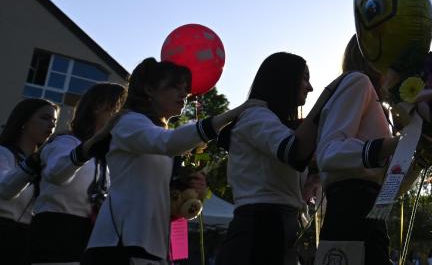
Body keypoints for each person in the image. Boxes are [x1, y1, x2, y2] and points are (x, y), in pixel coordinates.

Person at [82, 58, 260, 264]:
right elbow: (167, 142)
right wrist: (234, 113)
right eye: (175, 87)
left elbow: (164, 201)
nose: (184, 94)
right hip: (117, 245)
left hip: (152, 247)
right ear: (149, 89)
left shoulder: (160, 135)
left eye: (185, 88)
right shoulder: (128, 122)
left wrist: (189, 195)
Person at [216, 52, 317, 265]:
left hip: (274, 231)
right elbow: (294, 153)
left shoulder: (273, 124)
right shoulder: (255, 116)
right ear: (284, 79)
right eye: (305, 78)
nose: (310, 87)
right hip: (260, 233)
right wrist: (326, 107)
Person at [317, 35, 400, 265]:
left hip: (370, 216)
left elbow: (386, 182)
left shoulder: (380, 105)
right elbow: (329, 152)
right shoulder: (358, 82)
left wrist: (421, 154)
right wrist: (394, 144)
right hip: (350, 213)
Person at [30, 83, 126, 265]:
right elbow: (56, 174)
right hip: (55, 236)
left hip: (87, 240)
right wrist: (83, 152)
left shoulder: (106, 157)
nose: (123, 118)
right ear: (99, 106)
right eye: (119, 109)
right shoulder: (65, 142)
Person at [0, 98, 59, 265]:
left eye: (54, 121)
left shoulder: (45, 164)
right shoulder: (4, 153)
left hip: (27, 240)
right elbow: (4, 189)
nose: (52, 125)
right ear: (24, 120)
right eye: (45, 118)